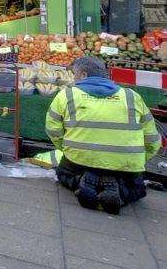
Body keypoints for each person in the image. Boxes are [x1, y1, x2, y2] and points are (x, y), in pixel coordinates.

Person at [46, 56, 162, 214]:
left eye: (74, 74)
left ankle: (83, 181)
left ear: (84, 75)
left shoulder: (67, 95)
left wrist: (68, 148)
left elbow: (53, 130)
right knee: (137, 188)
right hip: (126, 163)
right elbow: (153, 140)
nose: (73, 79)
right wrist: (136, 159)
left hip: (80, 159)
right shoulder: (132, 97)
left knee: (63, 173)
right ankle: (119, 189)